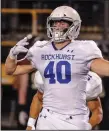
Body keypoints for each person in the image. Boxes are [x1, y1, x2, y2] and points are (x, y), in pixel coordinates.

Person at [5, 5, 109, 129]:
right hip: (47, 117)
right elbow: (11, 70)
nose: (58, 26)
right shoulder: (40, 49)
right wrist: (12, 55)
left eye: (63, 22)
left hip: (74, 120)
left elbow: (103, 68)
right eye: (55, 22)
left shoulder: (84, 49)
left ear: (74, 26)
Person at [26, 71, 103, 130]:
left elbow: (97, 111)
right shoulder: (46, 75)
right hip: (47, 120)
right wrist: (31, 124)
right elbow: (39, 99)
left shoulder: (90, 84)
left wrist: (87, 127)